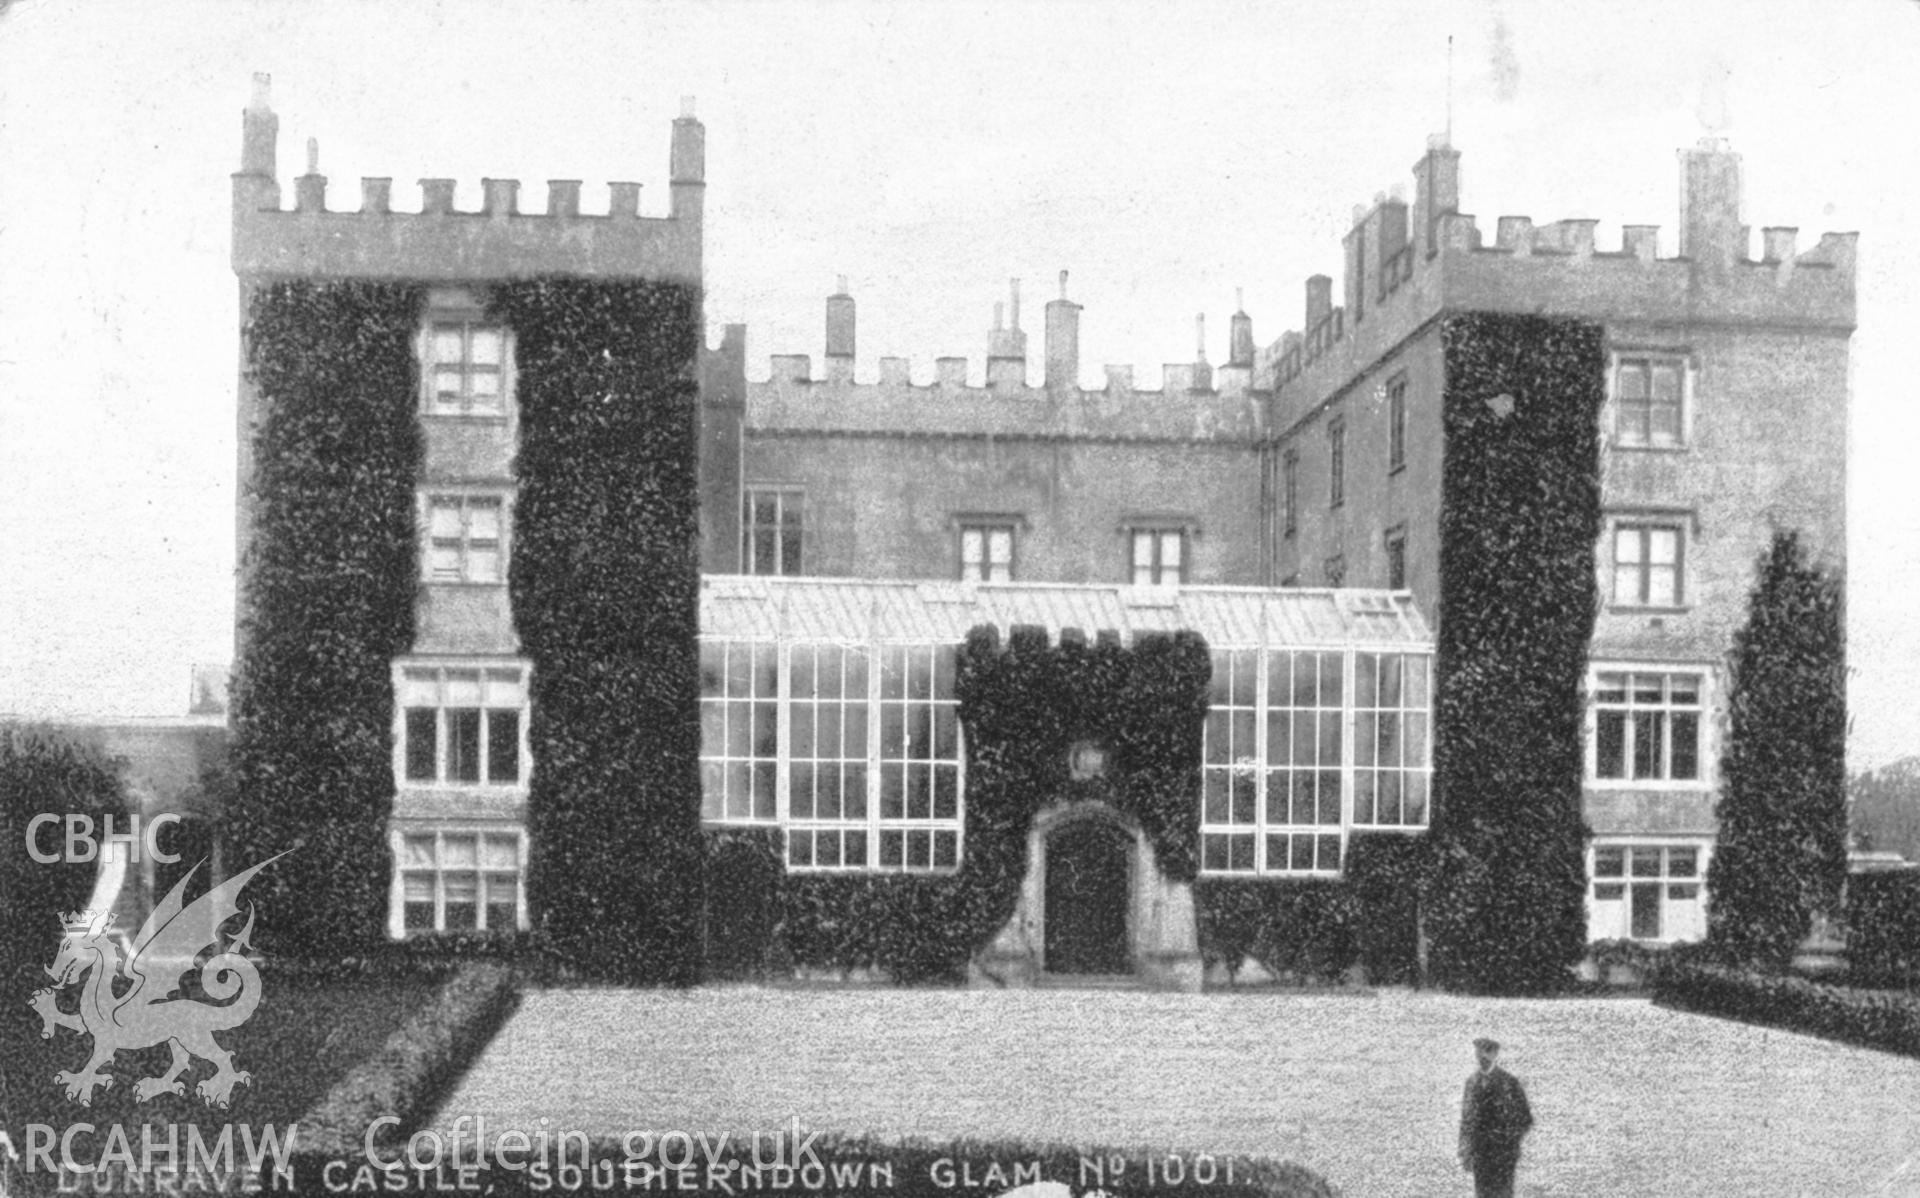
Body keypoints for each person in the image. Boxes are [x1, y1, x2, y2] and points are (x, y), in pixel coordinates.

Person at [1458, 1036, 1533, 1198]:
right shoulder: (1471, 1083)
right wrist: (1464, 1149)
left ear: (1495, 1054)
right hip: (1480, 1152)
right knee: (1482, 1193)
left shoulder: (1509, 1083)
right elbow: (1466, 1118)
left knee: (1503, 1193)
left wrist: (1509, 1142)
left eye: (1485, 1051)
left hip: (1503, 1153)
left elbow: (1525, 1118)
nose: (1481, 1056)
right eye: (1478, 1052)